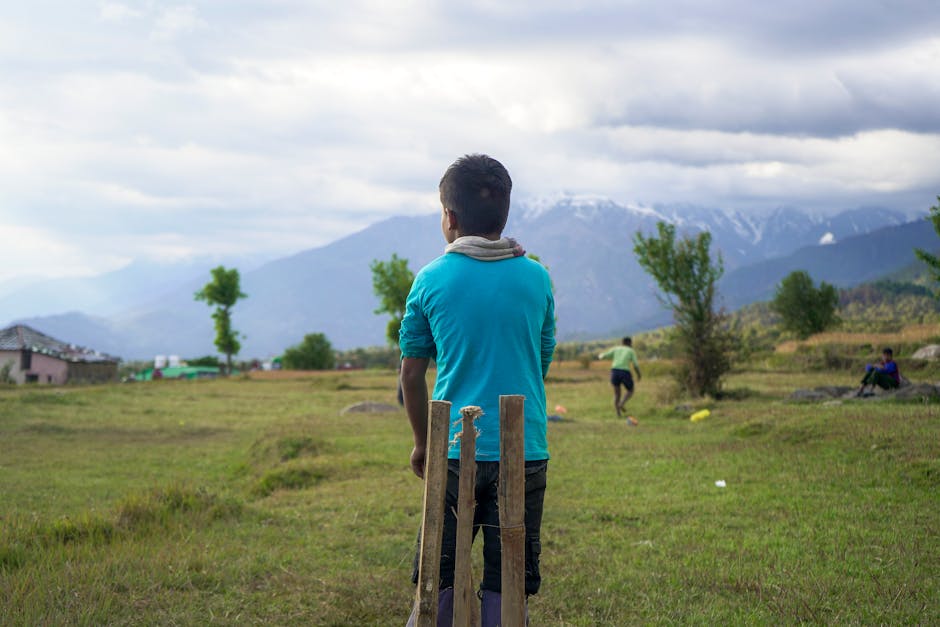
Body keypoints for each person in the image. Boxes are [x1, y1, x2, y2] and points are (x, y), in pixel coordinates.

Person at [400, 154, 556, 626]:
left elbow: (411, 374)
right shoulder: (537, 277)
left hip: (451, 447)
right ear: (505, 214)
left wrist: (422, 443)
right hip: (523, 448)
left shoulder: (430, 279)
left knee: (439, 572)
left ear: (449, 217)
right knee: (508, 577)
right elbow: (541, 358)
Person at [598, 337, 642, 421]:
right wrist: (639, 375)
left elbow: (604, 355)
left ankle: (618, 414)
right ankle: (621, 404)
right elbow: (635, 365)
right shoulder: (631, 351)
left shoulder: (616, 349)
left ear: (622, 343)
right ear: (629, 343)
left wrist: (600, 356)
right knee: (630, 390)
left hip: (614, 372)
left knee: (617, 394)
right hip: (625, 372)